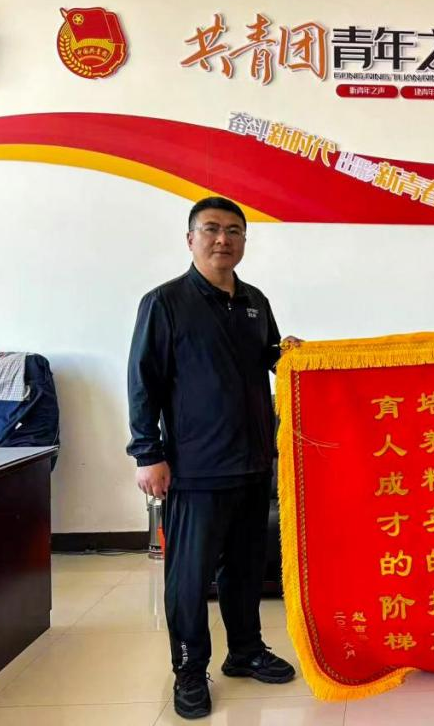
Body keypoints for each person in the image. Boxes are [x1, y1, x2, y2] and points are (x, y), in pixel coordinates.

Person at [127, 196, 299, 720]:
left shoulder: (254, 301)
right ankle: (188, 667)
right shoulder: (165, 302)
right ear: (190, 239)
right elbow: (143, 382)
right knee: (189, 576)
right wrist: (148, 453)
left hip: (254, 462)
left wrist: (295, 354)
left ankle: (244, 651)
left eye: (234, 231)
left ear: (244, 241)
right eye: (211, 229)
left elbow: (272, 359)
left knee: (245, 569)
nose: (223, 239)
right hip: (196, 467)